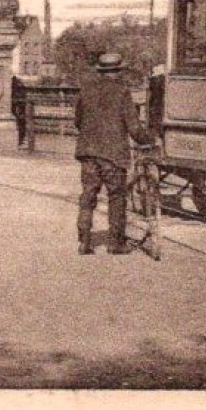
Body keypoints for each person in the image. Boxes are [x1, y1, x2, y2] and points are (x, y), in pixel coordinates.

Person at [74, 51, 151, 256]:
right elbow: (134, 128)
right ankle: (115, 244)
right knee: (116, 196)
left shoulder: (86, 90)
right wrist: (148, 140)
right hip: (114, 154)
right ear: (118, 71)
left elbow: (78, 121)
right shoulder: (123, 92)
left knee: (88, 195)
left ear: (100, 71)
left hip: (88, 152)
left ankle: (84, 242)